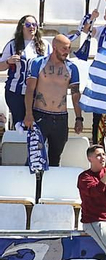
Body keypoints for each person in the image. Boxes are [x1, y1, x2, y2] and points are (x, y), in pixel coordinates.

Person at [23, 35, 82, 166]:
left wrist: (79, 118)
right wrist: (28, 114)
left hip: (60, 118)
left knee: (55, 158)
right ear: (54, 47)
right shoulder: (38, 63)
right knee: (34, 157)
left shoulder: (72, 68)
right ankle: (29, 185)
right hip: (40, 115)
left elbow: (75, 94)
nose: (67, 52)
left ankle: (49, 186)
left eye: (69, 49)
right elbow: (29, 90)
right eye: (64, 49)